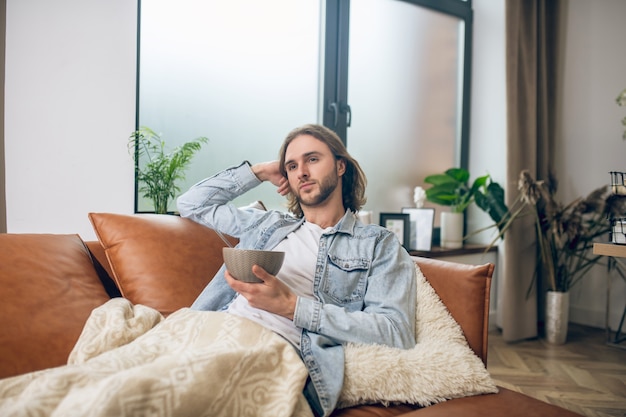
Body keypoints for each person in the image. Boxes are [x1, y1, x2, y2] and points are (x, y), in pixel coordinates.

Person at [177, 124, 416, 417]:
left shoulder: (376, 243)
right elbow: (190, 204)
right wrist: (261, 171)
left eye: (312, 159)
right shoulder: (266, 223)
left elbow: (396, 332)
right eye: (292, 165)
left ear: (341, 166)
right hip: (213, 328)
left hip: (276, 347)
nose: (301, 171)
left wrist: (293, 307)